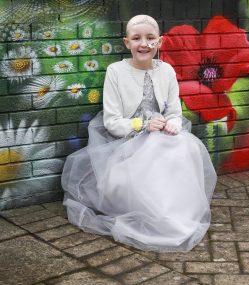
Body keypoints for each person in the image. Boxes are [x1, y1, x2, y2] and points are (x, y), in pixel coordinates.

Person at [62, 15, 217, 252]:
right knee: (154, 155)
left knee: (184, 146)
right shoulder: (116, 71)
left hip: (161, 135)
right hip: (127, 142)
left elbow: (175, 111)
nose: (143, 44)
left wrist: (173, 123)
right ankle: (159, 219)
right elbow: (112, 122)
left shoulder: (166, 70)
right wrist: (142, 125)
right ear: (127, 42)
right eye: (136, 38)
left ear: (160, 42)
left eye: (150, 38)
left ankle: (176, 216)